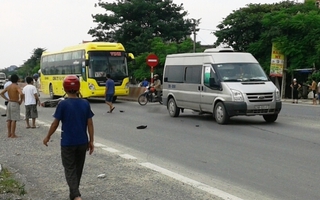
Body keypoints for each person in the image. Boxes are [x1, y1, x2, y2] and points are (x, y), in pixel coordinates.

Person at [43, 75, 94, 200]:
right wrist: (91, 140)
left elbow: (55, 123)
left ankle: (76, 196)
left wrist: (48, 136)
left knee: (69, 168)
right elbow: (90, 123)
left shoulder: (63, 104)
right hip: (82, 142)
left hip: (67, 143)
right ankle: (73, 194)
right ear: (78, 88)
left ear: (64, 88)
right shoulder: (85, 103)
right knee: (78, 168)